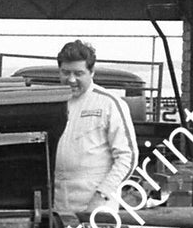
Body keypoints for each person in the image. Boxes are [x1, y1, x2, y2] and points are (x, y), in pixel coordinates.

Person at [52, 39, 137, 215]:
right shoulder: (53, 103)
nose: (71, 80)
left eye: (78, 73)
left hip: (97, 203)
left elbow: (127, 157)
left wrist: (103, 193)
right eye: (65, 73)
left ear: (92, 72)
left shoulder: (110, 103)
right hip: (59, 202)